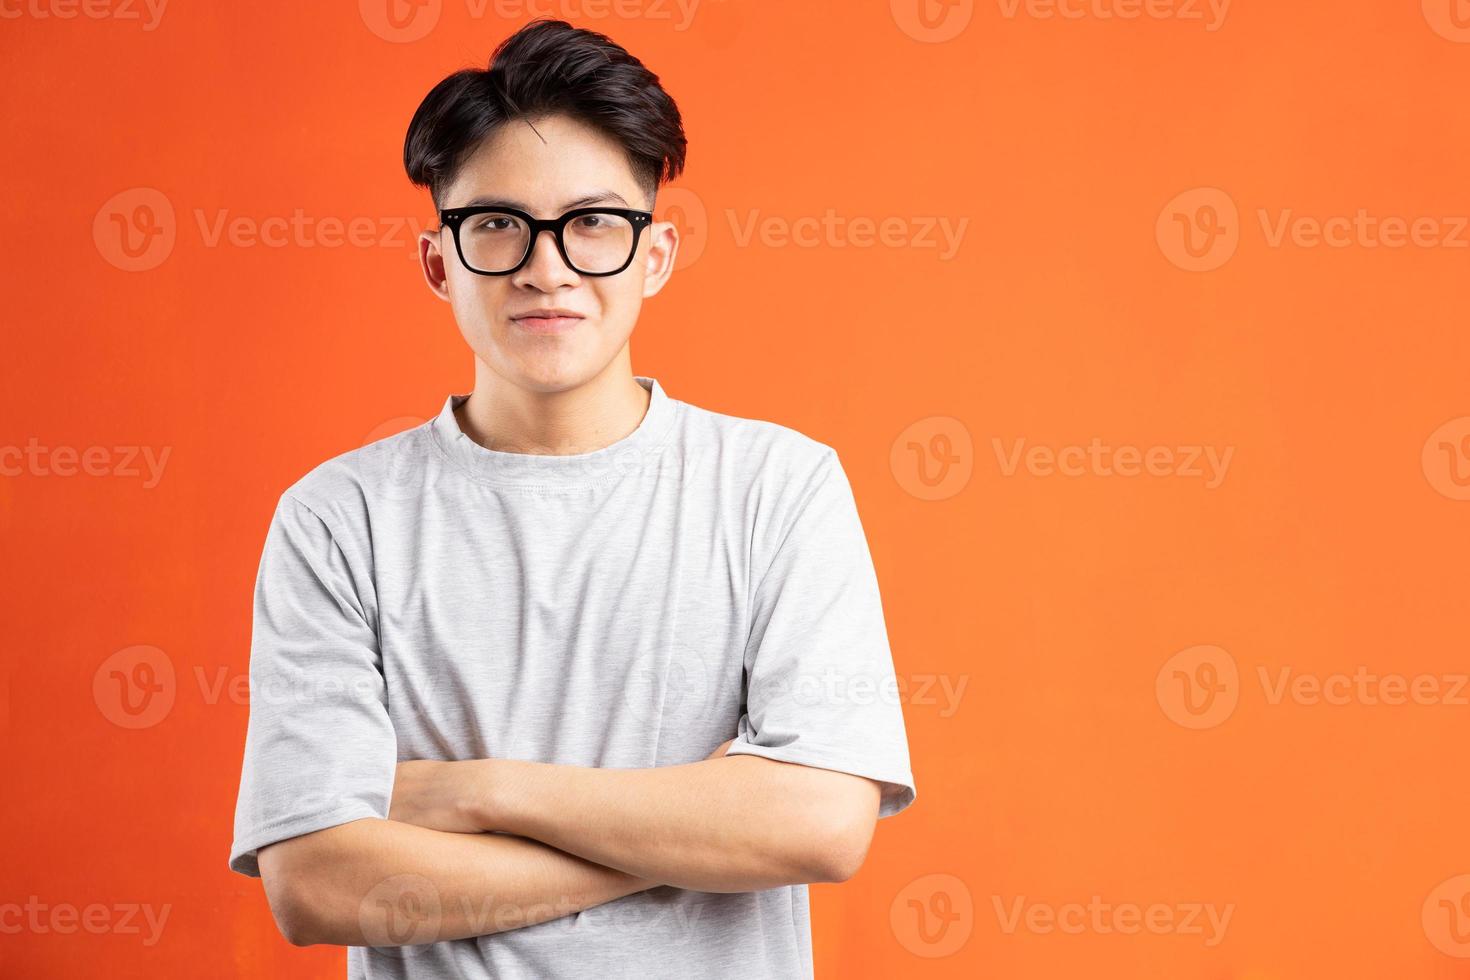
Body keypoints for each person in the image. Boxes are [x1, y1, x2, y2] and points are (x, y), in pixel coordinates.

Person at [228, 17, 916, 980]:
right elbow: (319, 886)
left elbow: (822, 823)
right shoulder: (339, 520)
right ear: (440, 262)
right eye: (497, 225)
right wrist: (690, 840)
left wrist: (477, 793)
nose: (546, 267)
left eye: (594, 222)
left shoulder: (777, 487)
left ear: (655, 256)